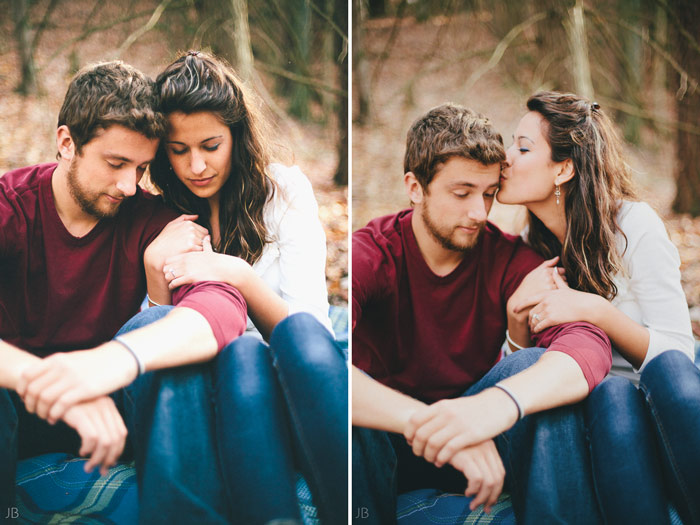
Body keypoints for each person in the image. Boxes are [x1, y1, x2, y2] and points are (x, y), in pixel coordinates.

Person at [0, 61, 250, 524]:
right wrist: (59, 382)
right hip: (16, 404)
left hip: (112, 409)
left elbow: (222, 306)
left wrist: (110, 363)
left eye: (141, 168)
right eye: (116, 164)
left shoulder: (150, 218)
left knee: (166, 334)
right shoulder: (11, 209)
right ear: (66, 142)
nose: (129, 186)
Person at [351, 103, 613, 525]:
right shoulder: (374, 251)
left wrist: (496, 406)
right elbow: (318, 362)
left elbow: (588, 345)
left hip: (482, 434)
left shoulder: (511, 259)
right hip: (385, 443)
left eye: (489, 194)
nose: (479, 211)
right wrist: (438, 426)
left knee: (536, 368)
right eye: (462, 193)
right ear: (415, 187)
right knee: (348, 392)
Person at [145, 51, 347, 525]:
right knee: (239, 357)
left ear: (237, 134)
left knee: (253, 353)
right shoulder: (161, 212)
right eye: (178, 150)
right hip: (205, 400)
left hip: (290, 388)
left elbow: (308, 333)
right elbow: (153, 336)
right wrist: (157, 273)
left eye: (211, 145)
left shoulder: (283, 192)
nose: (196, 165)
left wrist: (238, 275)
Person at [498, 90, 697, 525]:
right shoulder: (532, 251)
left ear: (564, 169)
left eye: (523, 147)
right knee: (612, 394)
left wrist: (596, 311)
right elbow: (524, 369)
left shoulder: (633, 225)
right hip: (601, 428)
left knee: (665, 373)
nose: (505, 157)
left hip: (669, 413)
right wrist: (516, 318)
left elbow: (678, 354)